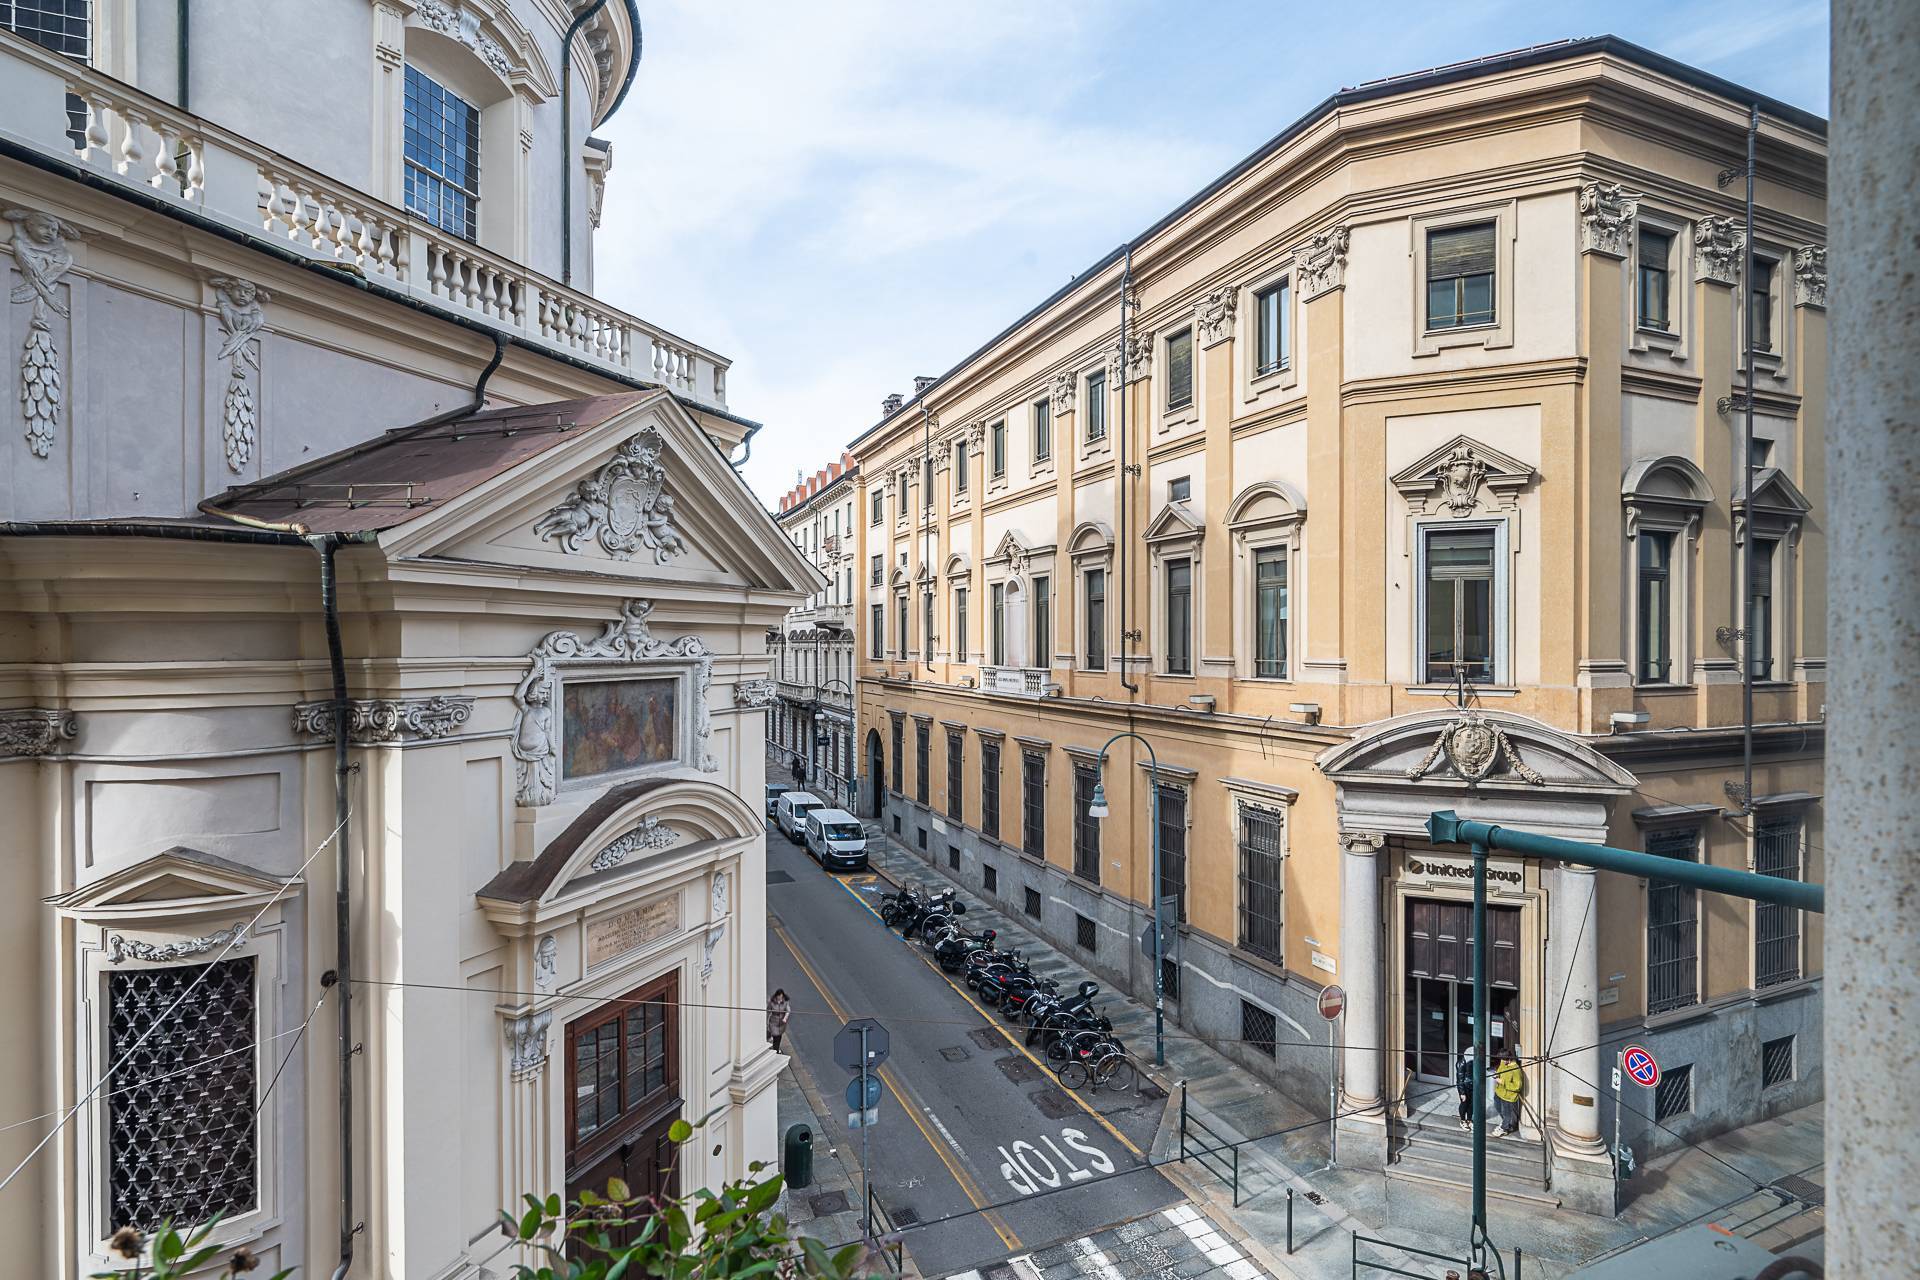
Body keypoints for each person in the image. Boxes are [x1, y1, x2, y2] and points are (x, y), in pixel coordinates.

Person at [1494, 1051, 1525, 1136]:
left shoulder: (1516, 1070)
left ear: (1509, 1059)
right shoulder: (1503, 1062)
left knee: (1507, 1114)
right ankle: (1505, 1123)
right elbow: (1500, 1070)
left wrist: (1502, 1082)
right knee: (1499, 1109)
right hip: (1499, 1092)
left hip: (1508, 1096)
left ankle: (1505, 1128)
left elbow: (1517, 1086)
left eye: (1503, 1060)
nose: (1502, 1061)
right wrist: (1497, 1075)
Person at [1455, 1045, 1476, 1131]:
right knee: (1464, 1103)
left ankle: (1470, 1120)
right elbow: (1460, 1080)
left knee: (1471, 1104)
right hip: (1465, 1086)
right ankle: (1463, 1120)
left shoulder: (1474, 1061)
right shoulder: (1461, 1063)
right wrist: (1462, 1093)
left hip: (1473, 1085)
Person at [767, 989, 792, 1053]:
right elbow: (768, 1011)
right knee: (775, 1035)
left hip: (781, 1023)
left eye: (781, 996)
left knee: (779, 1036)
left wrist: (785, 1018)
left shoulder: (785, 1002)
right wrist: (766, 1021)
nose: (780, 998)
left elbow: (788, 1010)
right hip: (773, 1021)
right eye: (779, 996)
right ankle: (776, 1050)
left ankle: (776, 1049)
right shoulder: (772, 1002)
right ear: (776, 996)